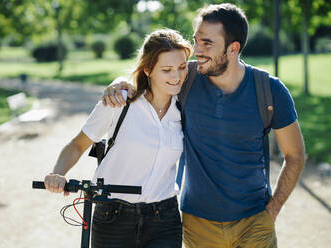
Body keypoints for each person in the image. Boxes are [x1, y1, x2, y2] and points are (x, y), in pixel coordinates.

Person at [102, 3, 306, 248]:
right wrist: (120, 82)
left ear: (233, 48)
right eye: (196, 40)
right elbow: (150, 78)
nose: (196, 50)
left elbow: (295, 155)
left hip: (254, 223)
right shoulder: (186, 79)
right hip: (197, 225)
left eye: (207, 43)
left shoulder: (270, 91)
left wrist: (272, 210)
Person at [43, 29, 192, 248]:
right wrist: (57, 173)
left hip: (165, 217)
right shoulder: (120, 102)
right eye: (167, 70)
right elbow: (77, 145)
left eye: (181, 67)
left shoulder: (185, 106)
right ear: (148, 70)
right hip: (113, 216)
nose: (177, 76)